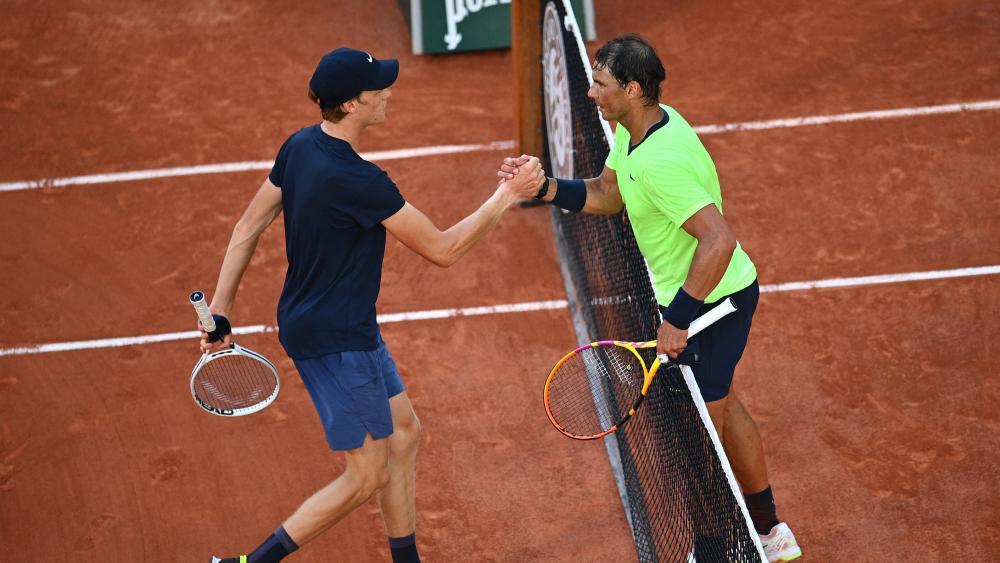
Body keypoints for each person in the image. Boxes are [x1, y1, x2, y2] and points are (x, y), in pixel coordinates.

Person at [202, 47, 544, 563]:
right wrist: (507, 194)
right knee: (367, 476)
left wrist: (222, 310)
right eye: (376, 89)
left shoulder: (299, 147)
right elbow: (444, 249)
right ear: (351, 105)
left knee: (404, 434)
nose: (387, 93)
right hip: (334, 340)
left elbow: (247, 226)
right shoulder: (360, 182)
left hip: (344, 326)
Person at [501, 34, 801, 562]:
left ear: (633, 89)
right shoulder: (635, 129)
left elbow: (719, 239)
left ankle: (714, 551)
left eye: (601, 85)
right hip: (701, 296)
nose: (592, 94)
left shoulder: (661, 160)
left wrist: (679, 320)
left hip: (714, 303)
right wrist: (545, 188)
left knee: (697, 444)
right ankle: (771, 532)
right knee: (725, 416)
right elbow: (606, 194)